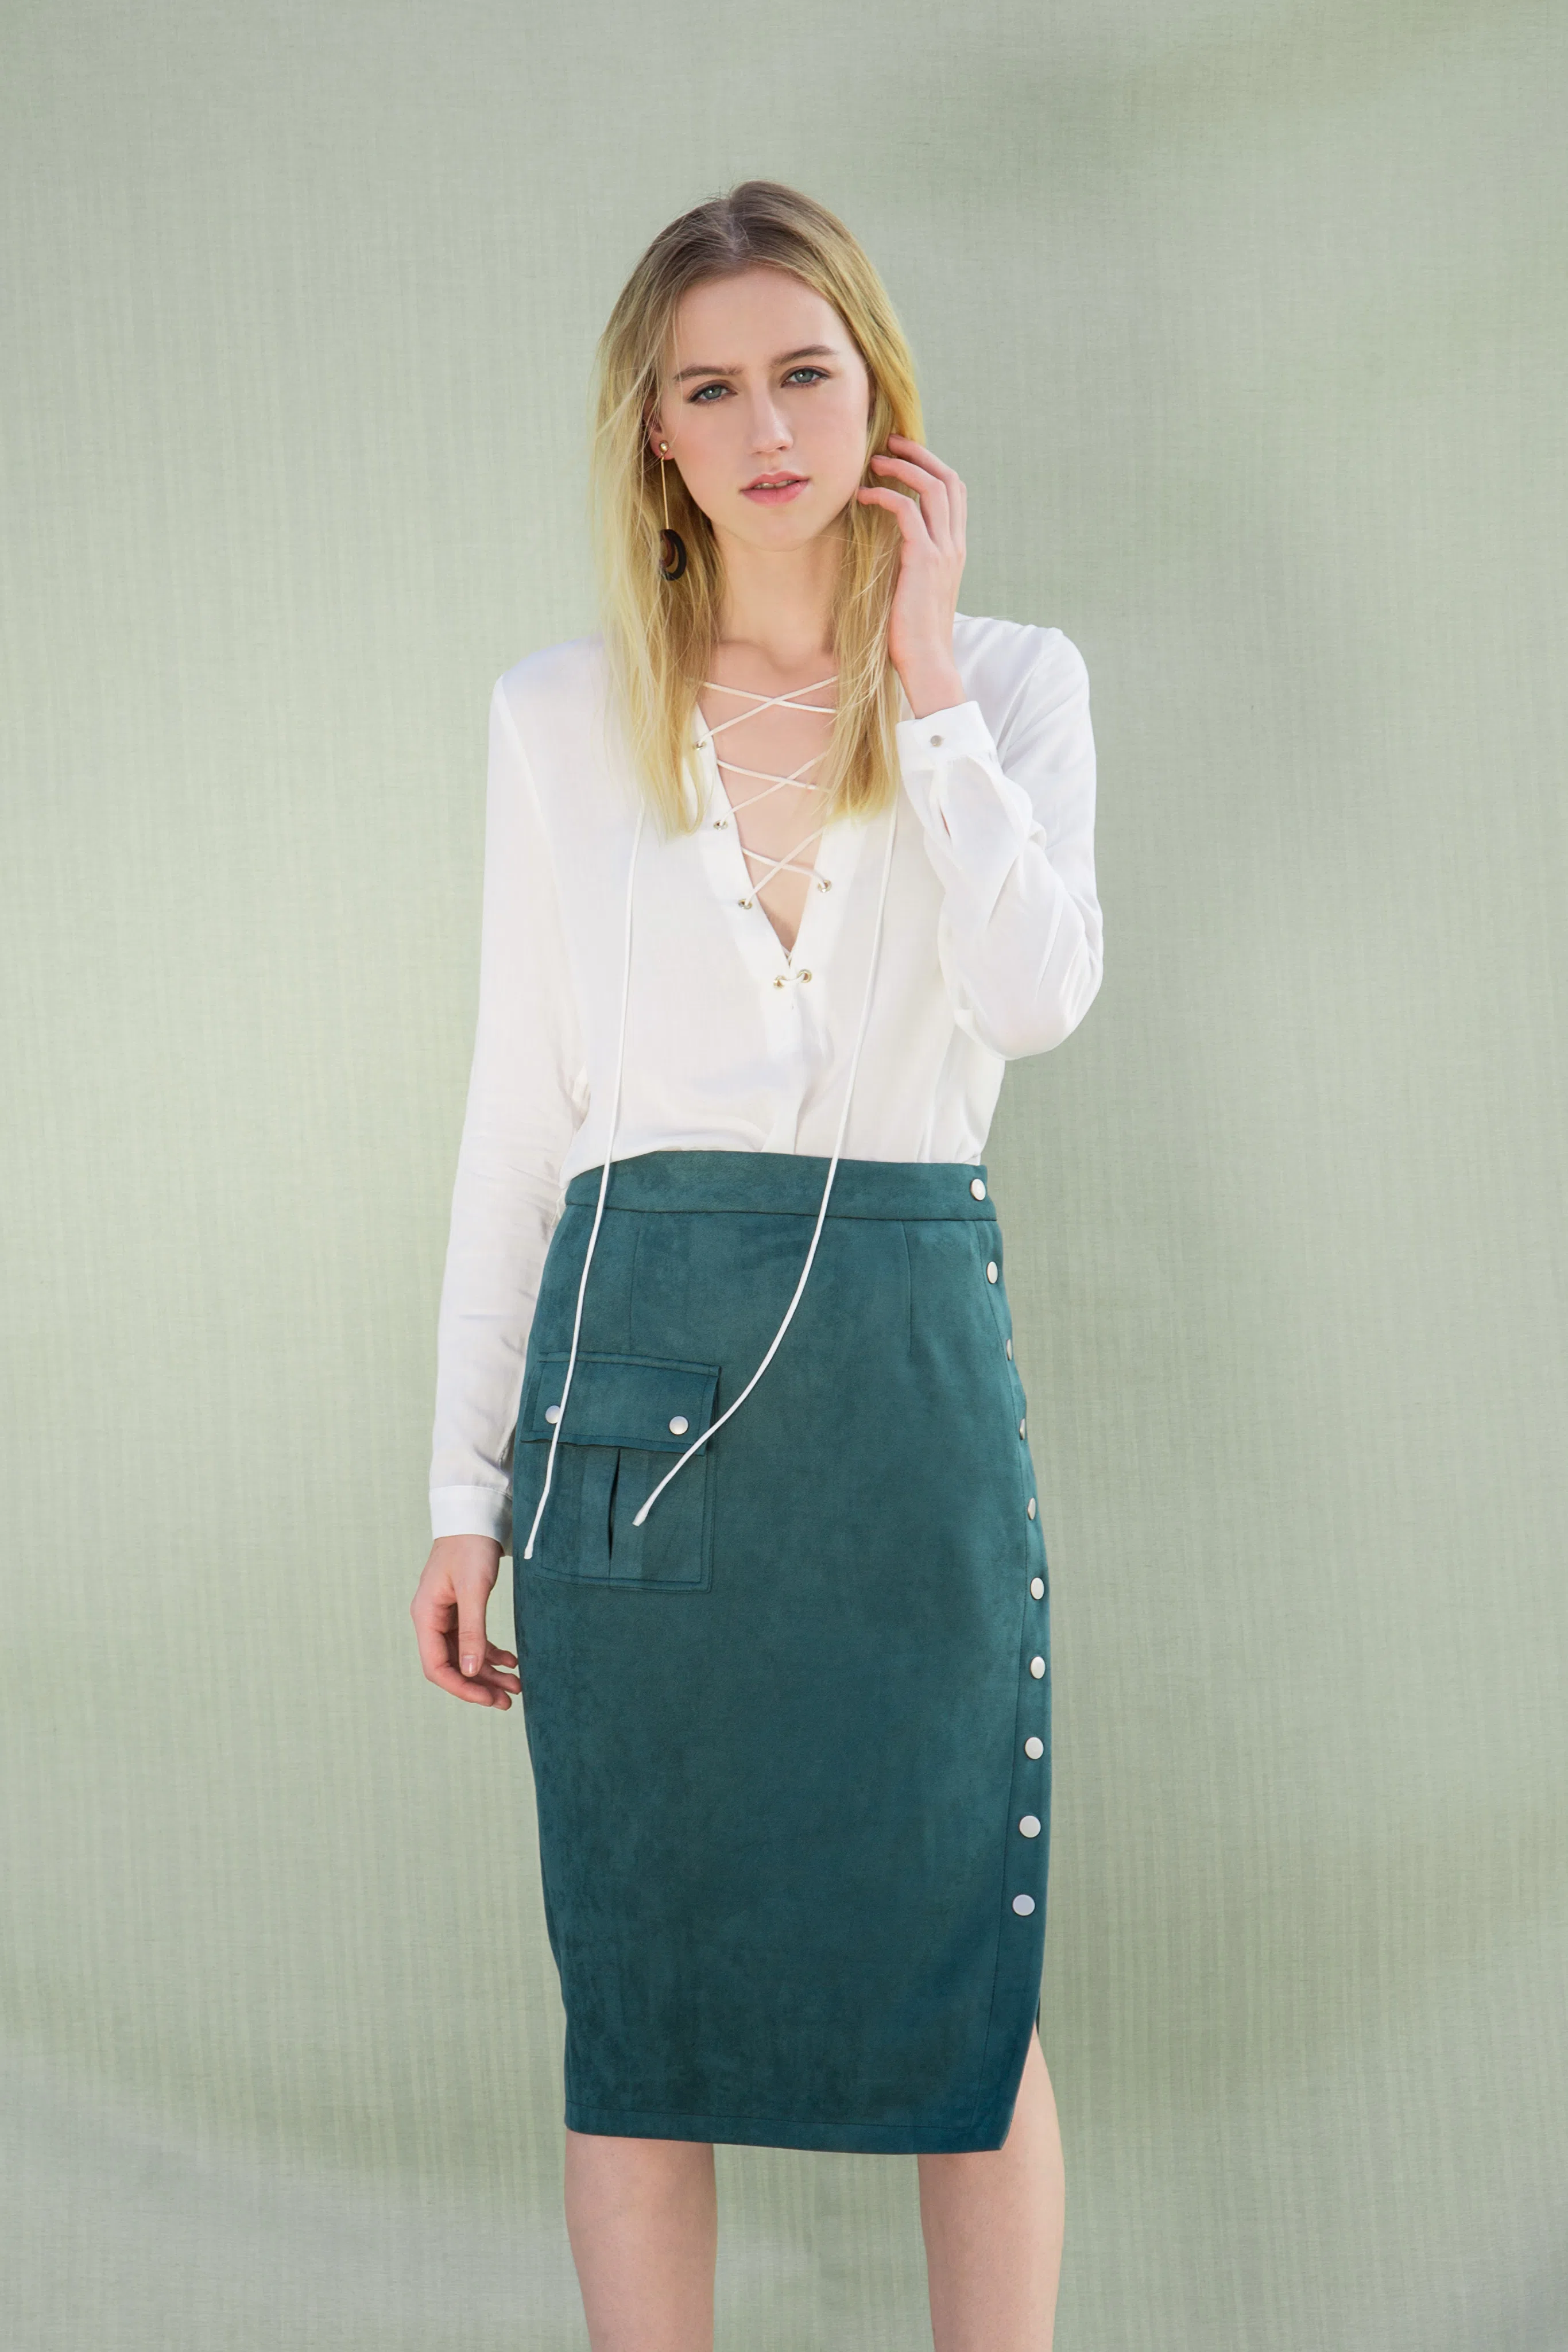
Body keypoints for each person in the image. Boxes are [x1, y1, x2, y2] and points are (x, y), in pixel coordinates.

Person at [411, 179, 1102, 2352]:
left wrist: (930, 683)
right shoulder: (556, 714)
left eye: (806, 372)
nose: (767, 424)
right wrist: (460, 1491)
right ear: (657, 436)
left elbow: (1038, 998)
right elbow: (520, 1113)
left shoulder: (1013, 682)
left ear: (879, 395)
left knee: (962, 1981)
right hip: (630, 1404)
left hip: (904, 1389)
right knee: (643, 2000)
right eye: (710, 388)